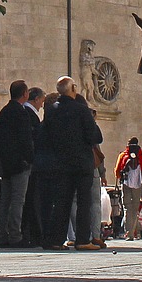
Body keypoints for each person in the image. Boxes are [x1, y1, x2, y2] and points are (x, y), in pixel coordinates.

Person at [39, 76, 103, 251]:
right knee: (84, 201)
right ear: (73, 89)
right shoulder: (81, 110)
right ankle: (83, 240)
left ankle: (55, 240)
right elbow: (95, 137)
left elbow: (44, 138)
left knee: (62, 202)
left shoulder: (51, 111)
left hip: (60, 163)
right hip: (82, 163)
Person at [0, 80, 35, 247]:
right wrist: (30, 159)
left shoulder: (4, 112)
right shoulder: (21, 112)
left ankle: (2, 234)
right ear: (25, 94)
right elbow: (26, 139)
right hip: (19, 164)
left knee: (5, 200)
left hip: (5, 164)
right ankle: (15, 235)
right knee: (18, 200)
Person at [21, 86, 46, 247]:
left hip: (27, 164)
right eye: (41, 101)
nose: (42, 105)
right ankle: (31, 234)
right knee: (30, 200)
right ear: (35, 99)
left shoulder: (26, 113)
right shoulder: (29, 115)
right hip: (31, 165)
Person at [114, 137, 142, 240]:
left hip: (126, 184)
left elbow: (117, 171)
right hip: (138, 185)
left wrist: (122, 177)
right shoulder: (141, 157)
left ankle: (128, 233)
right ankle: (133, 232)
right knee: (135, 209)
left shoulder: (123, 155)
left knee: (127, 208)